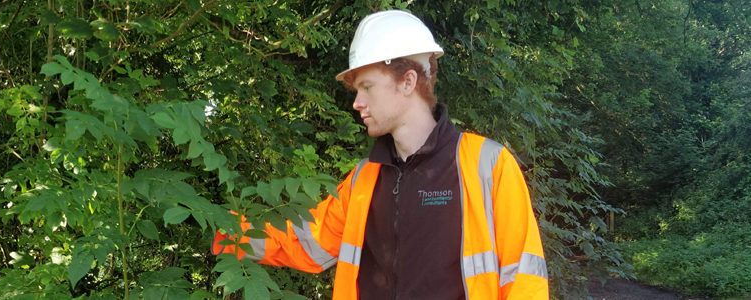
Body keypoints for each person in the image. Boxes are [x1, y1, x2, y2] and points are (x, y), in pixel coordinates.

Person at [212, 10, 548, 299]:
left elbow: (526, 282)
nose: (357, 102)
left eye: (367, 87)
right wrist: (223, 229)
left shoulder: (487, 165)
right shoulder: (364, 179)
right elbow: (305, 241)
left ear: (407, 81)